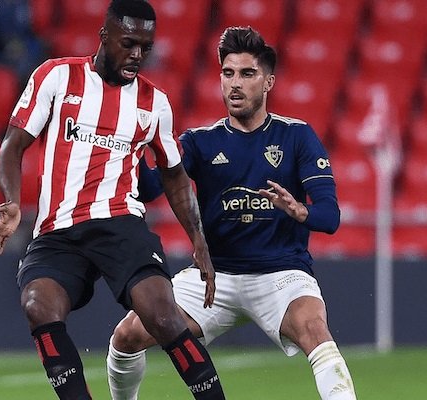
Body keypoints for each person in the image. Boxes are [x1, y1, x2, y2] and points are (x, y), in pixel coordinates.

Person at [0, 1, 225, 399]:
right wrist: (11, 201)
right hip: (57, 229)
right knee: (37, 305)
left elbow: (174, 175)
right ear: (104, 36)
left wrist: (198, 238)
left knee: (162, 314)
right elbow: (13, 144)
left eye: (146, 47)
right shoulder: (57, 76)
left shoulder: (154, 103)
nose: (137, 55)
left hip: (120, 223)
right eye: (129, 43)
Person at [106, 26, 357, 399]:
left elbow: (330, 217)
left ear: (268, 82)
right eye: (228, 73)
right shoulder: (200, 142)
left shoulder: (296, 136)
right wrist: (136, 145)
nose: (235, 84)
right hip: (216, 278)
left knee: (315, 331)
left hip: (281, 275)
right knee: (127, 335)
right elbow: (148, 189)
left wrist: (300, 211)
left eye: (247, 73)